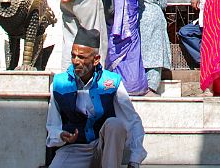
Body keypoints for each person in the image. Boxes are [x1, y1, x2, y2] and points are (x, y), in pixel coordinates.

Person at [46, 27, 146, 168]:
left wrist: (135, 159)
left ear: (96, 60)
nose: (75, 61)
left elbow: (131, 120)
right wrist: (61, 136)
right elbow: (52, 125)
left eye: (81, 57)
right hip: (75, 149)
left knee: (115, 124)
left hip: (105, 148)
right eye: (73, 56)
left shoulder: (111, 82)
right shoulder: (59, 84)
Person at [102, 0, 147, 95]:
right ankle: (132, 86)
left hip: (110, 11)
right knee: (131, 45)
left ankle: (110, 83)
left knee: (110, 43)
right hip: (129, 11)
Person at [137, 0, 171, 94]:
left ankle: (137, 82)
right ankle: (152, 86)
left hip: (137, 15)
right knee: (156, 52)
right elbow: (163, 3)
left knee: (139, 50)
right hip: (155, 16)